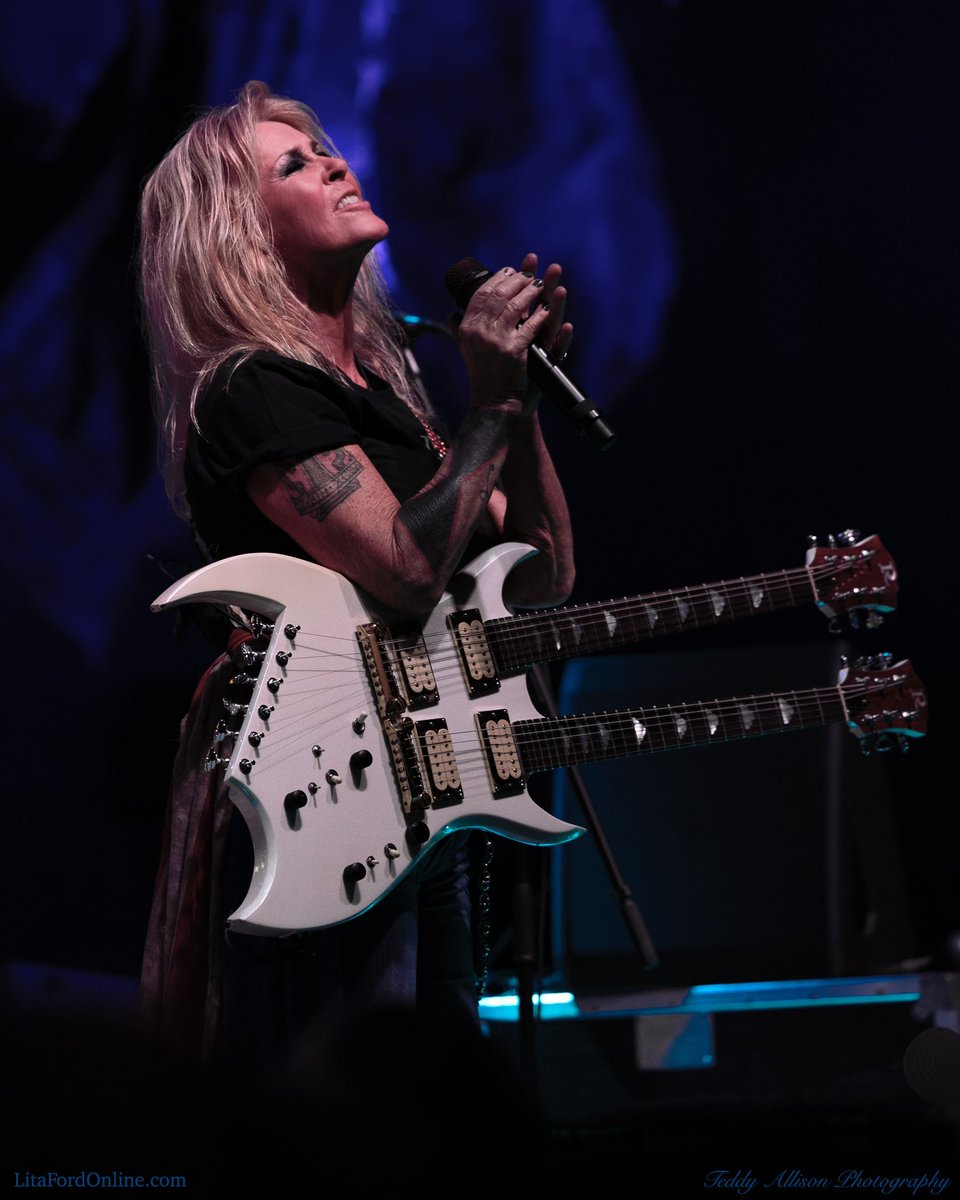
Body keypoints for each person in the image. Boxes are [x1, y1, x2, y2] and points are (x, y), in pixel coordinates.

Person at [136, 80, 576, 1098]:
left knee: (437, 1103)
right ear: (238, 232)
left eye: (323, 147)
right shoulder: (252, 389)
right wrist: (490, 401)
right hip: (321, 802)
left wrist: (517, 405)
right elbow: (409, 573)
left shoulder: (385, 394)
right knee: (353, 1110)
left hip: (425, 784)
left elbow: (542, 576)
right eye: (295, 163)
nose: (333, 162)